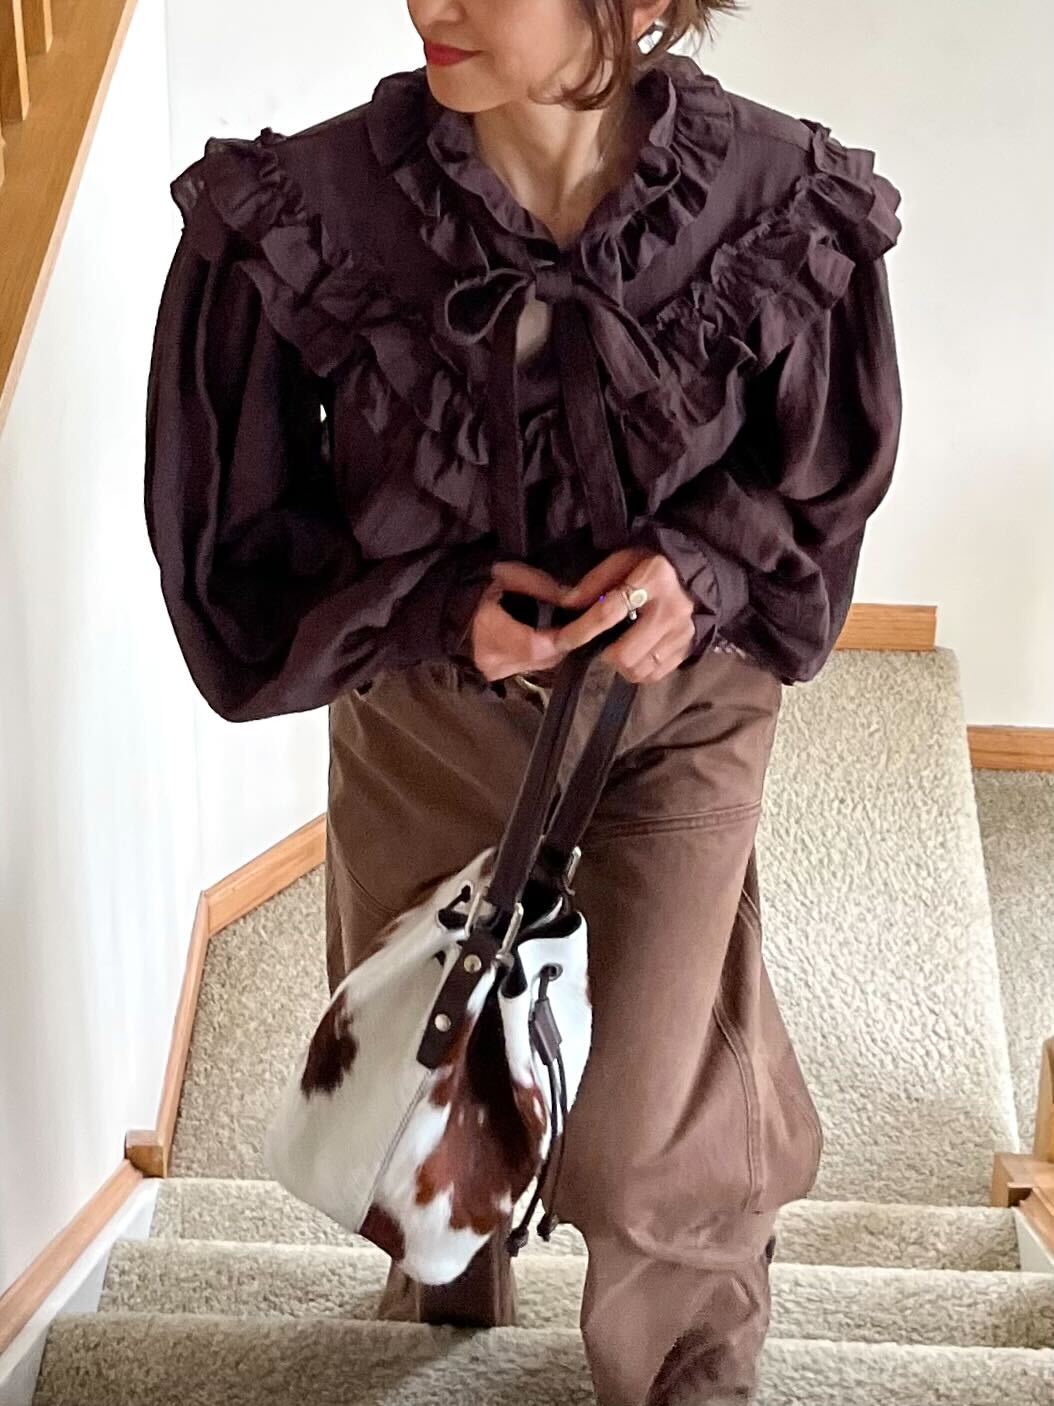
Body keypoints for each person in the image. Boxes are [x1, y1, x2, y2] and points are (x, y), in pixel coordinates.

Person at [144, 2, 903, 1401]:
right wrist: (438, 609)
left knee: (650, 1115)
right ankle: (445, 1291)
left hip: (675, 711)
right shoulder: (310, 212)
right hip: (424, 719)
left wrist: (697, 572)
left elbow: (814, 481)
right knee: (432, 1060)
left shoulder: (778, 201)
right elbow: (239, 538)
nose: (427, 5)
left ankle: (687, 1371)